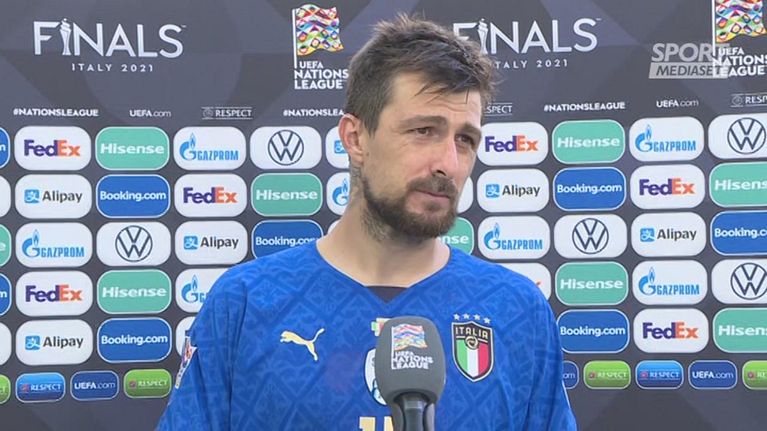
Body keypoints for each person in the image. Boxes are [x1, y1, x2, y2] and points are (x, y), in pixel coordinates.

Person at [158, 14, 576, 430]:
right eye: (423, 131)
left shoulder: (517, 310)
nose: (448, 164)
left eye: (464, 139)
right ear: (355, 138)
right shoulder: (245, 303)